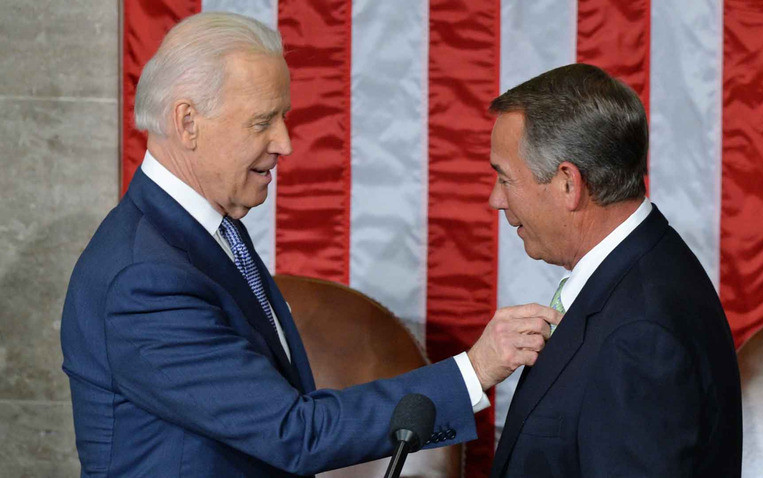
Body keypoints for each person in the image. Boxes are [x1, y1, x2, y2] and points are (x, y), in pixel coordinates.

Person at [60, 12, 559, 477]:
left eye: (283, 117)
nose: (285, 142)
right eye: (262, 121)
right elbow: (292, 431)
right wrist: (474, 371)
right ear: (188, 122)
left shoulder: (202, 234)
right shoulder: (146, 278)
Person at [487, 64, 742, 477]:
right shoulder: (642, 271)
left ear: (568, 183)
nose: (495, 199)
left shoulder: (640, 333)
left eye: (505, 178)